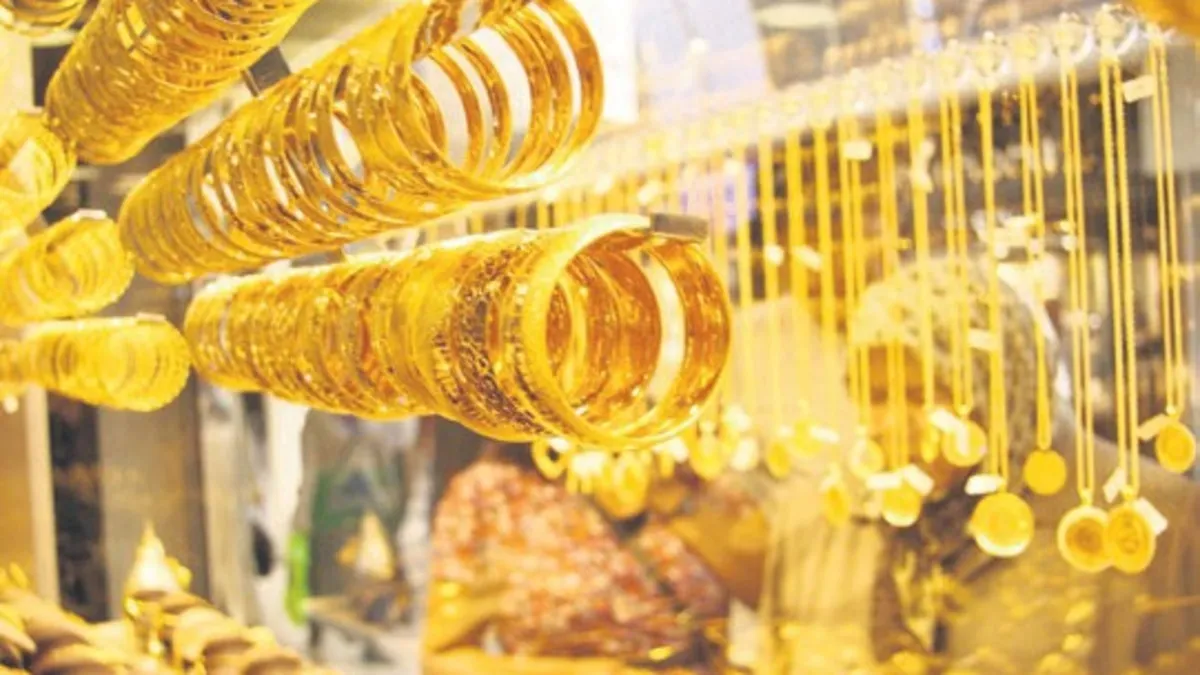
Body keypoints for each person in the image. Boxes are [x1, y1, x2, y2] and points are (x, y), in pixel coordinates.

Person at [759, 258, 1200, 674]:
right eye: (874, 396)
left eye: (921, 394)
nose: (889, 424)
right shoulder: (831, 523)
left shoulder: (1143, 521)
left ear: (1001, 390)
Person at [422, 439, 768, 674]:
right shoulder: (494, 493)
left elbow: (772, 596)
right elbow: (444, 659)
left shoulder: (689, 468)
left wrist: (676, 499)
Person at [285, 411, 417, 647]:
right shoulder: (319, 418)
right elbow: (310, 465)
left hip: (370, 505)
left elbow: (396, 455)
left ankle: (370, 642)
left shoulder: (379, 409)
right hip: (330, 508)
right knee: (323, 575)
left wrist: (396, 506)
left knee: (374, 575)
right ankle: (316, 637)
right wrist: (302, 514)